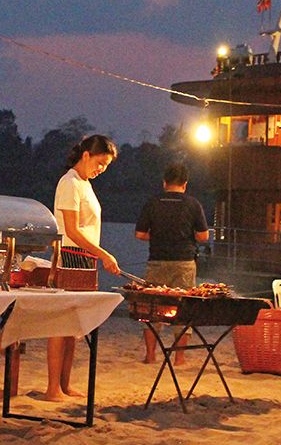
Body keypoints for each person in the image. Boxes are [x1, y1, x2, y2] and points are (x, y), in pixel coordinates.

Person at [47, 134, 121, 401]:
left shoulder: (85, 184)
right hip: (70, 255)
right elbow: (72, 230)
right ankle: (52, 388)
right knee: (60, 323)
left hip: (85, 258)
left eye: (106, 166)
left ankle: (64, 385)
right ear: (86, 155)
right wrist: (103, 254)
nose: (101, 169)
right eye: (100, 162)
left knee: (73, 326)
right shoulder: (70, 183)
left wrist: (97, 256)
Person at [134, 162, 209, 365]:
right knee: (183, 309)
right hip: (184, 261)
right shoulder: (193, 204)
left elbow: (140, 234)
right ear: (185, 184)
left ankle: (150, 356)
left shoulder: (153, 203)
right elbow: (203, 236)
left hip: (157, 260)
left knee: (152, 309)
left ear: (164, 183)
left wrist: (158, 236)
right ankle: (179, 358)